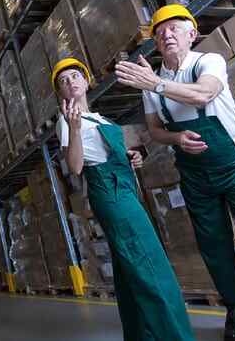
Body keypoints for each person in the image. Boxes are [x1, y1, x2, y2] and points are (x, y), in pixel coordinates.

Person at [115, 4, 235, 341]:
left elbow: (205, 92)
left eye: (175, 27)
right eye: (161, 31)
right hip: (195, 175)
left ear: (191, 34)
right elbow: (154, 129)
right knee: (215, 249)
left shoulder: (207, 62)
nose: (167, 34)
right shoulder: (155, 80)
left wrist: (155, 83)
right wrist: (176, 137)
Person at [54, 57, 195, 341]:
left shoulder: (101, 118)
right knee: (150, 266)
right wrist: (76, 129)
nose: (71, 82)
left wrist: (131, 158)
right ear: (61, 92)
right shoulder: (67, 121)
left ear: (85, 81)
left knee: (129, 268)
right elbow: (76, 166)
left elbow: (109, 154)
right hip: (110, 192)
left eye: (74, 76)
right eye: (63, 81)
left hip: (124, 187)